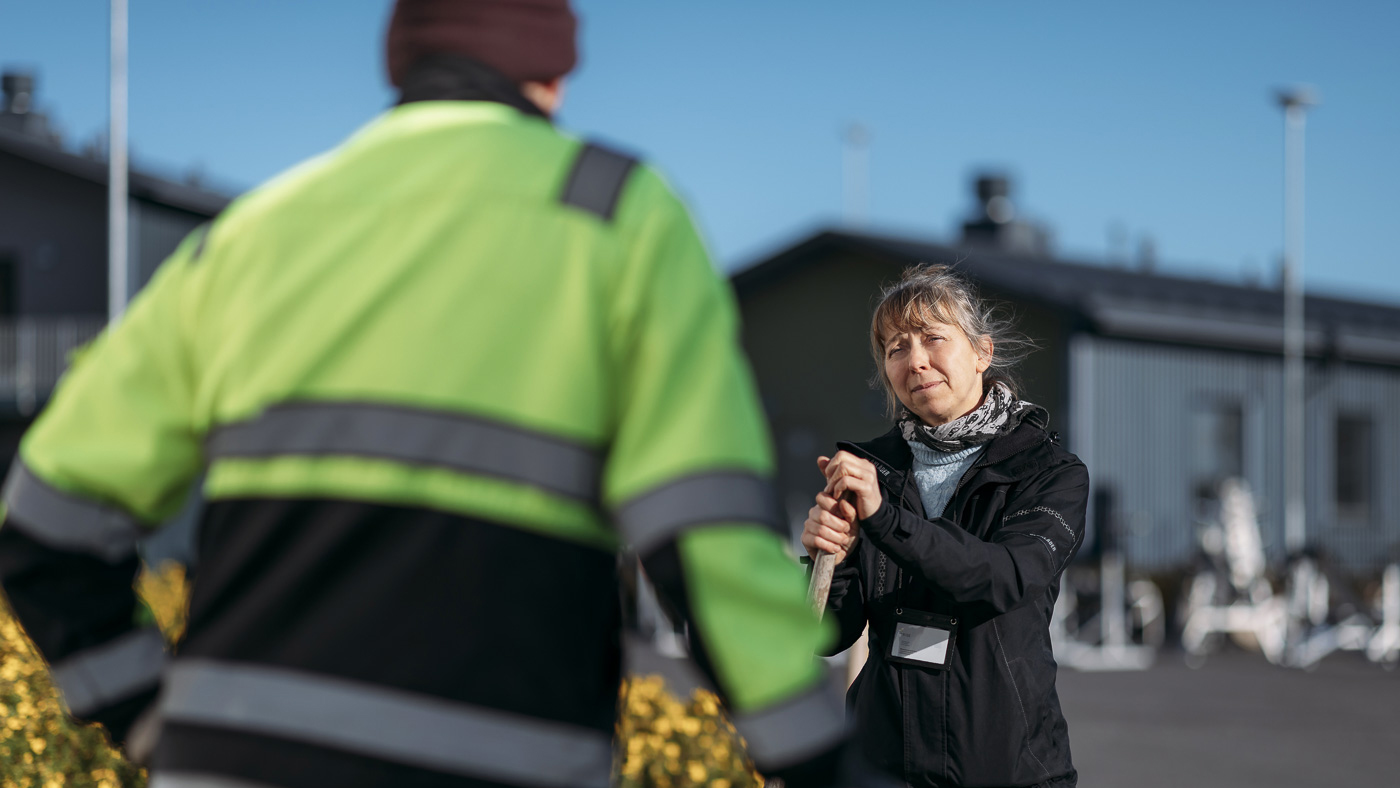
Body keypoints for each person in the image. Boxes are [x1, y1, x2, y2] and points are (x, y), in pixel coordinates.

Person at [0, 2, 856, 786]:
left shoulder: (263, 226)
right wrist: (819, 757)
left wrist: (153, 722)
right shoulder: (614, 215)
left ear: (400, 63)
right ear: (554, 73)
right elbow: (705, 538)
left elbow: (47, 523)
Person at [802, 264, 1087, 788]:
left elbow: (1002, 577)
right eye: (896, 348)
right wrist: (829, 556)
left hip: (1005, 768)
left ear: (982, 352)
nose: (916, 361)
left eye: (933, 338)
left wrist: (884, 521)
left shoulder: (1049, 473)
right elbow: (829, 635)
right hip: (881, 767)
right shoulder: (869, 469)